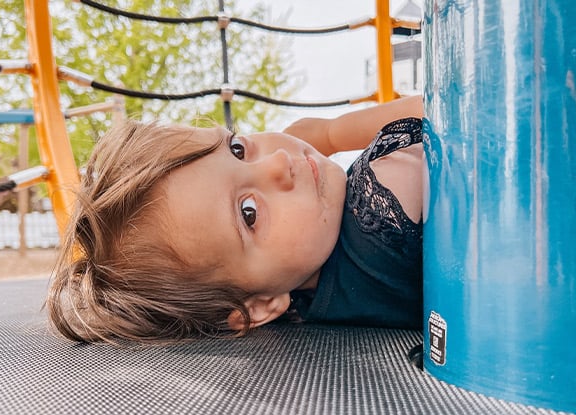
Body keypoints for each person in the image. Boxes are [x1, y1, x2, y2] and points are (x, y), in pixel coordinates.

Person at [46, 95, 424, 344]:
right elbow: (460, 107)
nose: (278, 163)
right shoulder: (390, 186)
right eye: (249, 212)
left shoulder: (276, 291)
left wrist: (324, 135)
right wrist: (330, 132)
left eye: (237, 147)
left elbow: (293, 140)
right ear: (257, 307)